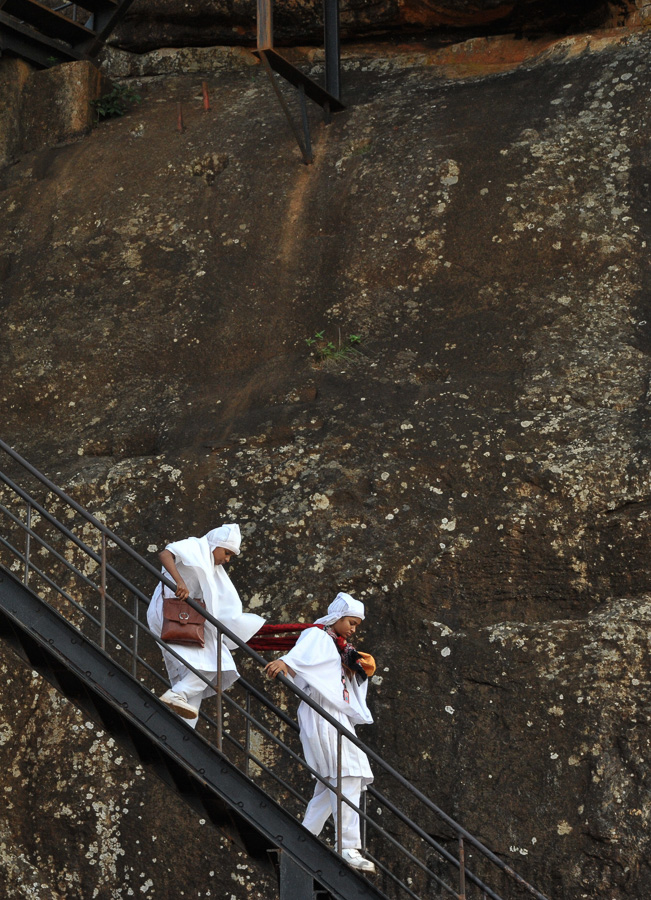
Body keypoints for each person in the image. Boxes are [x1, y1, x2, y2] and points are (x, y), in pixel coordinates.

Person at [265, 592, 376, 873]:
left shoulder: (336, 645)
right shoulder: (317, 635)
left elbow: (336, 678)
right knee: (347, 773)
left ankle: (301, 841)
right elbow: (299, 657)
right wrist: (285, 663)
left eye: (356, 625)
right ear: (337, 617)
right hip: (322, 713)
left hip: (333, 714)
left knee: (332, 783)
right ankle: (348, 846)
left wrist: (355, 669)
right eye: (351, 622)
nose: (353, 629)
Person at [147, 523, 265, 726]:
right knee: (211, 665)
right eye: (227, 553)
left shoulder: (213, 567)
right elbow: (165, 554)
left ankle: (184, 729)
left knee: (200, 670)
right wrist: (179, 582)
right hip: (169, 614)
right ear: (216, 544)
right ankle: (178, 695)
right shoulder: (195, 546)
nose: (227, 559)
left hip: (189, 619)